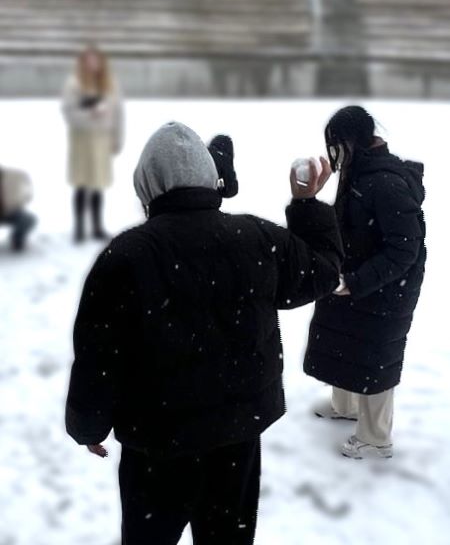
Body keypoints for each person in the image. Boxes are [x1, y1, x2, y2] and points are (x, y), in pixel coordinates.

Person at [65, 121, 343, 545]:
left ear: (149, 188)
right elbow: (323, 272)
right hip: (237, 440)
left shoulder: (124, 259)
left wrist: (88, 427)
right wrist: (307, 204)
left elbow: (98, 358)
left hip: (157, 449)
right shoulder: (257, 239)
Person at [305, 105, 426, 459]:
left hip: (387, 288)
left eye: (336, 145)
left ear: (352, 141)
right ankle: (345, 405)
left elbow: (405, 250)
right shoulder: (357, 171)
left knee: (375, 359)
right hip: (356, 276)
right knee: (342, 339)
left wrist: (357, 281)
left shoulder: (386, 182)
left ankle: (376, 436)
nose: (333, 154)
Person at [62, 45, 124, 242]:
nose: (92, 64)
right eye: (88, 60)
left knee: (98, 184)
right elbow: (69, 113)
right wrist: (91, 114)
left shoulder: (109, 85)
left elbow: (119, 114)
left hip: (101, 142)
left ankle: (97, 226)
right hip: (81, 142)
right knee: (81, 183)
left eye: (95, 59)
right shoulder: (74, 84)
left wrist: (117, 139)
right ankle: (79, 228)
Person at [0, 165, 36, 251]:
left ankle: (17, 239)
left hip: (8, 212)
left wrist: (25, 198)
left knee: (28, 219)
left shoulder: (13, 175)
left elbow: (27, 180)